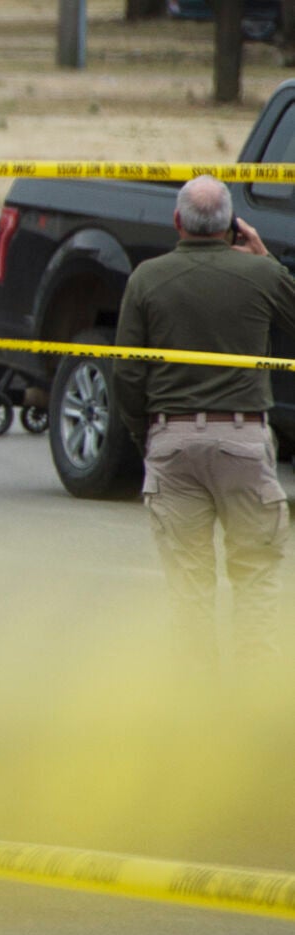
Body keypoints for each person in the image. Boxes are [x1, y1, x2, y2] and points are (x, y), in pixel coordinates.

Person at [112, 174, 295, 670]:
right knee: (256, 578)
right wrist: (264, 260)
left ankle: (198, 716)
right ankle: (254, 705)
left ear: (178, 222)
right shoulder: (261, 277)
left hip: (172, 440)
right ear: (233, 226)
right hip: (242, 440)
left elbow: (127, 372)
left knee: (189, 592)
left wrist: (144, 433)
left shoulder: (147, 278)